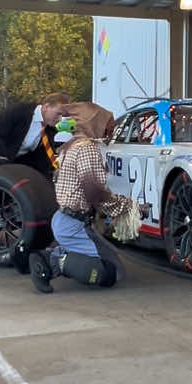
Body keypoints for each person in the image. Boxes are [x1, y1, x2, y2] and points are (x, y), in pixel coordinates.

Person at [28, 102, 135, 292]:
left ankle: (56, 254)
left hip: (65, 219)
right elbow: (95, 192)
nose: (111, 130)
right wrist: (127, 206)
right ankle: (51, 261)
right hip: (73, 224)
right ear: (94, 123)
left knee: (115, 268)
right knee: (111, 273)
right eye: (107, 124)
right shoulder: (87, 148)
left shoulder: (71, 145)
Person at [0, 90, 71, 177]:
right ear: (46, 107)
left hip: (17, 171)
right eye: (58, 114)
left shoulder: (50, 130)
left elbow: (42, 159)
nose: (59, 119)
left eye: (62, 116)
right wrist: (2, 157)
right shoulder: (20, 111)